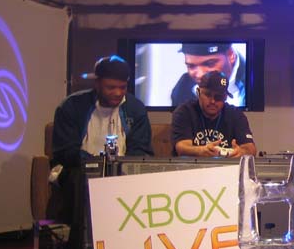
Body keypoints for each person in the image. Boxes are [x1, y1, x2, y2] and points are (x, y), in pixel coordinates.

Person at [51, 55, 153, 224]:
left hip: (123, 171)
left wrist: (119, 167)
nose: (117, 93)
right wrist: (98, 165)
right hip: (80, 170)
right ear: (97, 83)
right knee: (79, 179)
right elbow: (66, 152)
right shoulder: (72, 106)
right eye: (111, 87)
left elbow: (141, 149)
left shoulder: (136, 108)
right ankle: (82, 238)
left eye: (122, 87)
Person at [172, 70, 256, 157]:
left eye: (219, 97)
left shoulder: (235, 115)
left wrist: (241, 152)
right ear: (198, 92)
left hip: (226, 165)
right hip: (193, 165)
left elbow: (251, 149)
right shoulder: (184, 112)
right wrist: (201, 151)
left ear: (225, 97)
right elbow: (182, 148)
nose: (212, 101)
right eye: (208, 95)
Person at [171, 43, 246, 108]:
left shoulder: (250, 83)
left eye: (209, 64)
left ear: (230, 55)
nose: (200, 75)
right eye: (191, 66)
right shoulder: (182, 89)